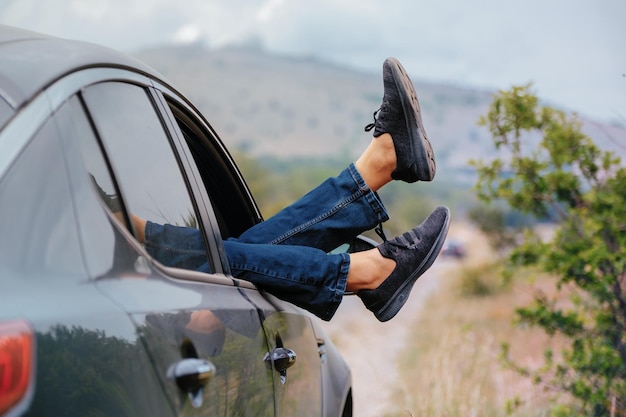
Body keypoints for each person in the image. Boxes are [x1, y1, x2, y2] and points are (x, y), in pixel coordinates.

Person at [115, 58, 450, 323]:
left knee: (224, 251)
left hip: (160, 304)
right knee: (186, 246)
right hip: (155, 317)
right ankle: (369, 259)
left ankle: (373, 256)